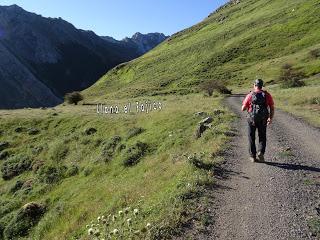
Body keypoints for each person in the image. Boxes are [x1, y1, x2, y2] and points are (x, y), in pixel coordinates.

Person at [241, 79, 274, 162]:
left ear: (254, 85)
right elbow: (272, 107)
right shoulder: (267, 95)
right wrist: (270, 118)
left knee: (251, 137)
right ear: (261, 86)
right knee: (262, 136)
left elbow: (243, 109)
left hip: (251, 119)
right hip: (263, 119)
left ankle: (253, 156)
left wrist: (246, 106)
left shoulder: (250, 95)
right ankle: (261, 152)